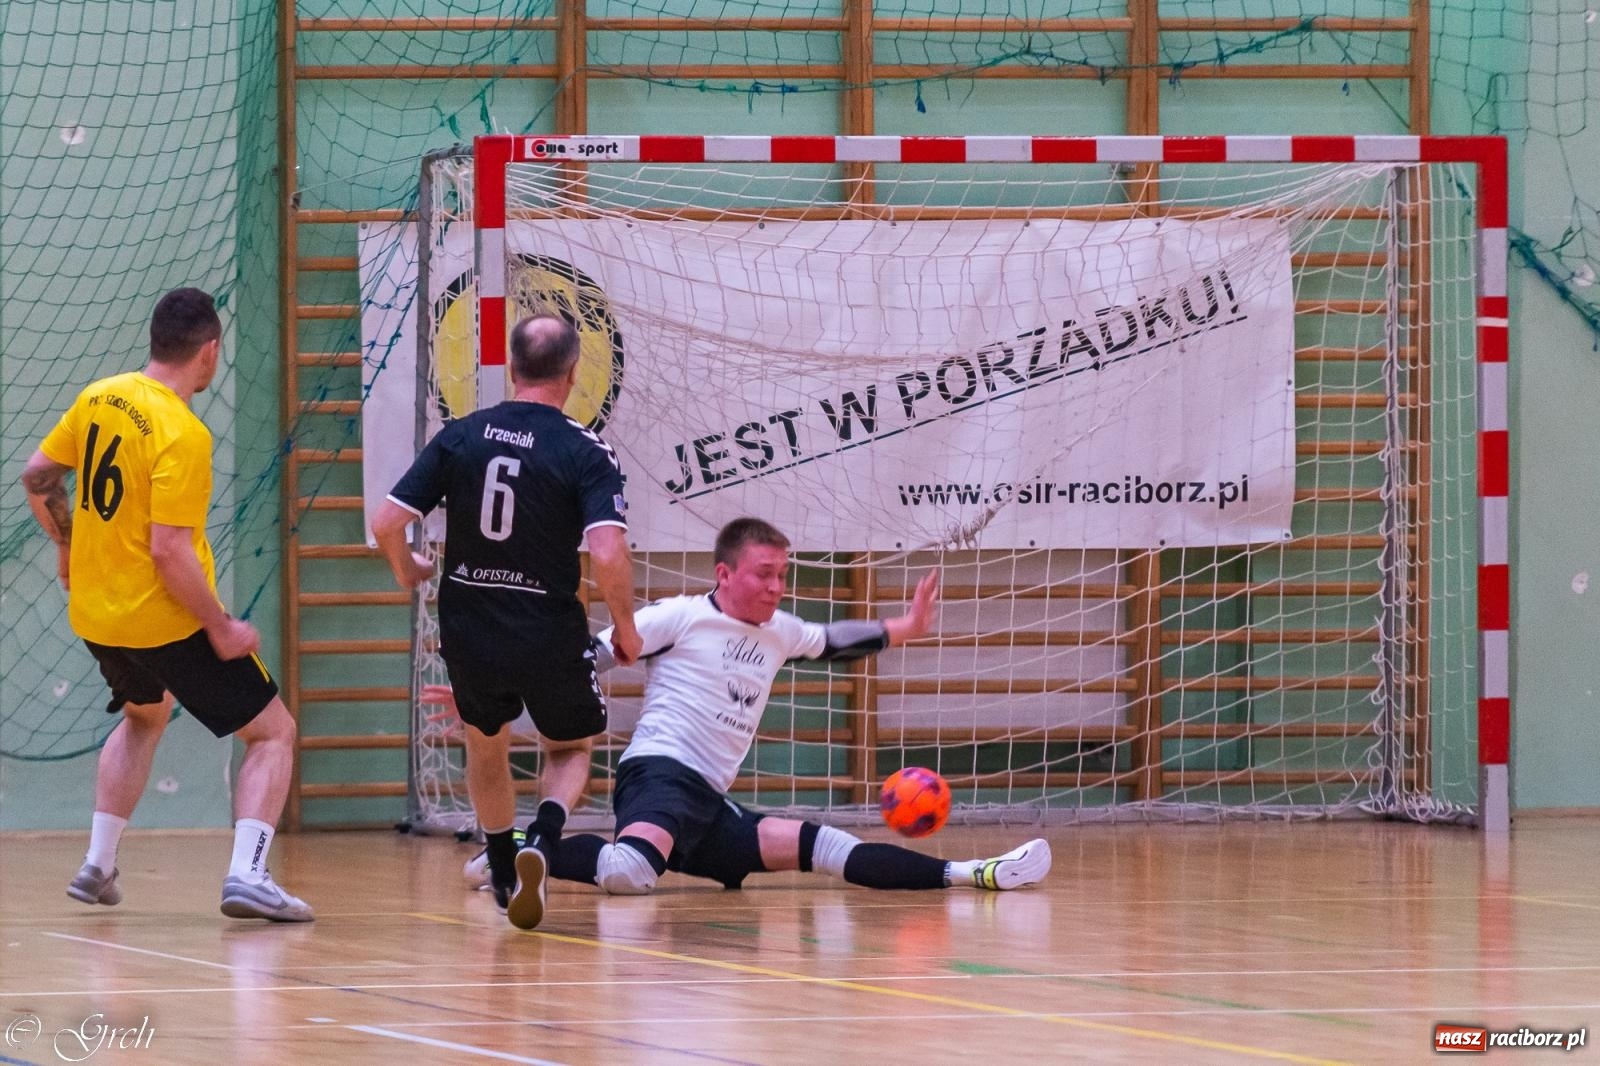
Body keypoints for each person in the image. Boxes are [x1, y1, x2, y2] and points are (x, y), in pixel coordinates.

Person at [450, 516, 1050, 902]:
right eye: (764, 574)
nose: (775, 586)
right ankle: (517, 849)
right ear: (725, 573)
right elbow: (583, 663)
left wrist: (906, 626)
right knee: (628, 874)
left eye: (781, 575)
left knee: (828, 847)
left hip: (710, 802)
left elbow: (832, 640)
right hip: (659, 774)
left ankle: (975, 872)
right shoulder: (679, 616)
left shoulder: (780, 630)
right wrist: (493, 699)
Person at [20, 287, 312, 921]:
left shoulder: (99, 397)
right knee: (273, 732)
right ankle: (249, 875)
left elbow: (37, 476)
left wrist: (66, 546)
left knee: (144, 716)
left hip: (97, 614)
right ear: (209, 351)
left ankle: (98, 863)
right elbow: (169, 551)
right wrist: (221, 626)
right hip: (164, 619)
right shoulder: (183, 433)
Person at [373, 314, 642, 929]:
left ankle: (500, 866)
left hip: (469, 622)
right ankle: (541, 841)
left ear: (511, 367)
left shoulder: (461, 436)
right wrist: (626, 628)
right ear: (574, 371)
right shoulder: (585, 450)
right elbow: (607, 553)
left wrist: (408, 568)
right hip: (546, 624)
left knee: (485, 740)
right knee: (569, 746)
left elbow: (387, 523)